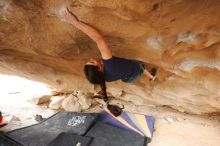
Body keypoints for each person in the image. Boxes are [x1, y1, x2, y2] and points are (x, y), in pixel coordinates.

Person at [60, 8, 157, 116]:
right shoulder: (109, 63)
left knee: (136, 70)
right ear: (100, 68)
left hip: (127, 79)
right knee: (141, 66)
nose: (92, 59)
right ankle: (152, 77)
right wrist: (75, 22)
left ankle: (151, 77)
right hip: (133, 70)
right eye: (92, 62)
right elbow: (99, 39)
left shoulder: (104, 78)